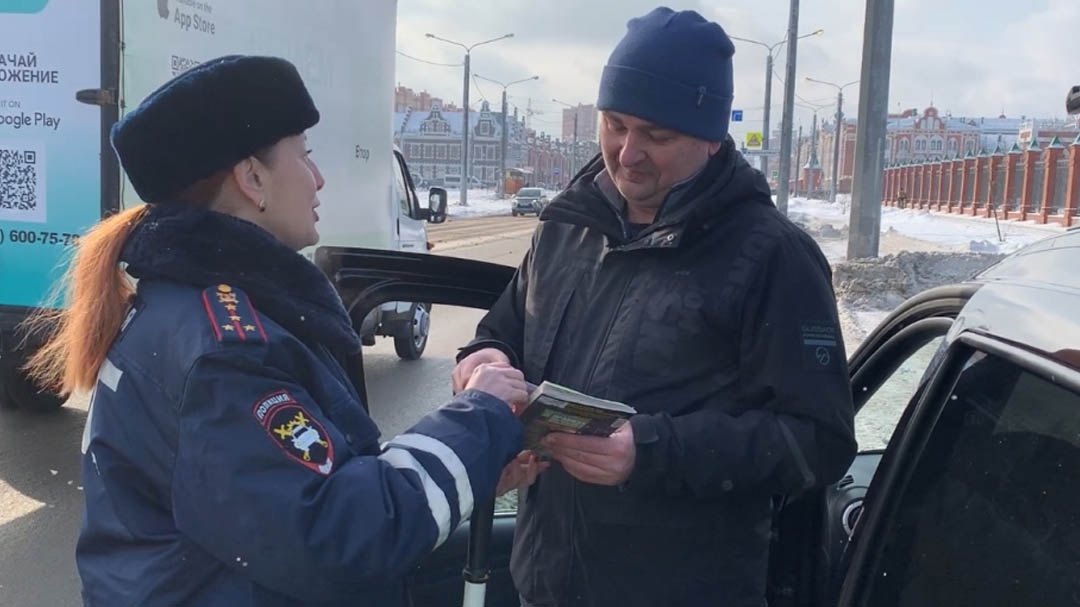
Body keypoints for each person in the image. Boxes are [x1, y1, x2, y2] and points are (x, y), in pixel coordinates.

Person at [23, 55, 543, 606]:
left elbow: (298, 476)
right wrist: (481, 417)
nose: (318, 179)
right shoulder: (224, 353)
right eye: (305, 156)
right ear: (252, 180)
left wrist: (472, 463)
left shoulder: (189, 312)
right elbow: (336, 538)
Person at [452, 8, 857, 607]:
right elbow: (505, 330)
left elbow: (817, 441)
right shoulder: (567, 225)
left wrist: (650, 451)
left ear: (712, 138)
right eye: (614, 124)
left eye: (657, 135)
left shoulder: (773, 256)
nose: (627, 152)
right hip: (545, 581)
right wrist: (483, 359)